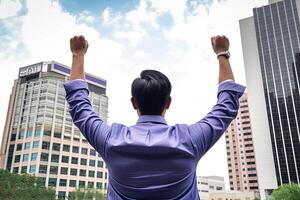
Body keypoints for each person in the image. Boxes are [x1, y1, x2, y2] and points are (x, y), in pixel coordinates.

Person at [64, 35, 245, 200]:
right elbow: (226, 106)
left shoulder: (111, 140)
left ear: (134, 103)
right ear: (168, 102)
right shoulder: (189, 140)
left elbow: (80, 108)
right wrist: (222, 53)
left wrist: (78, 55)